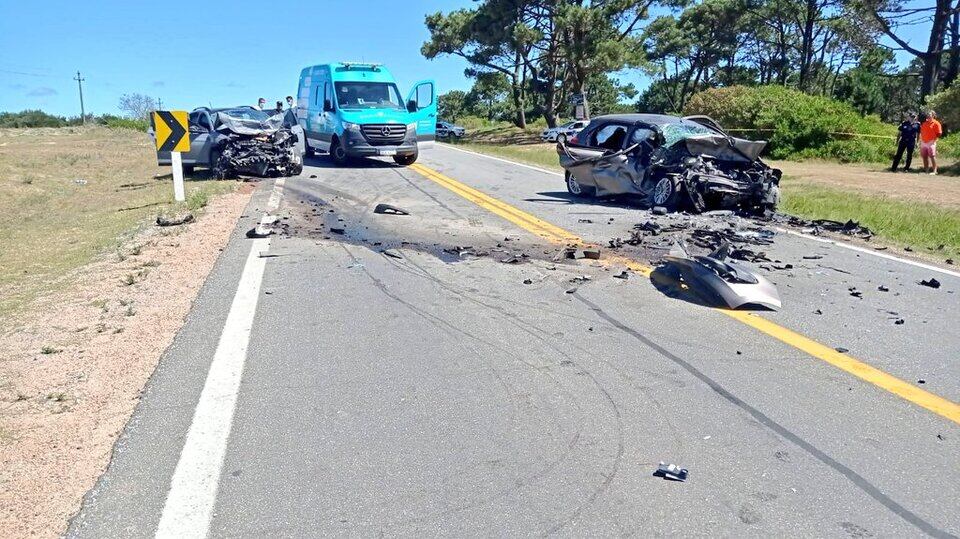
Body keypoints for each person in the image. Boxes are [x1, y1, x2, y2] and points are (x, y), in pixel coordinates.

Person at [919, 110, 943, 175]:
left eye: (930, 114)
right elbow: (921, 131)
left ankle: (935, 171)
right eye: (928, 114)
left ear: (933, 115)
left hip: (931, 142)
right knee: (924, 157)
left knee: (932, 156)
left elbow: (939, 133)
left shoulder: (936, 123)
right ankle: (926, 170)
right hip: (923, 142)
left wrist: (934, 139)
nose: (928, 115)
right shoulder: (924, 122)